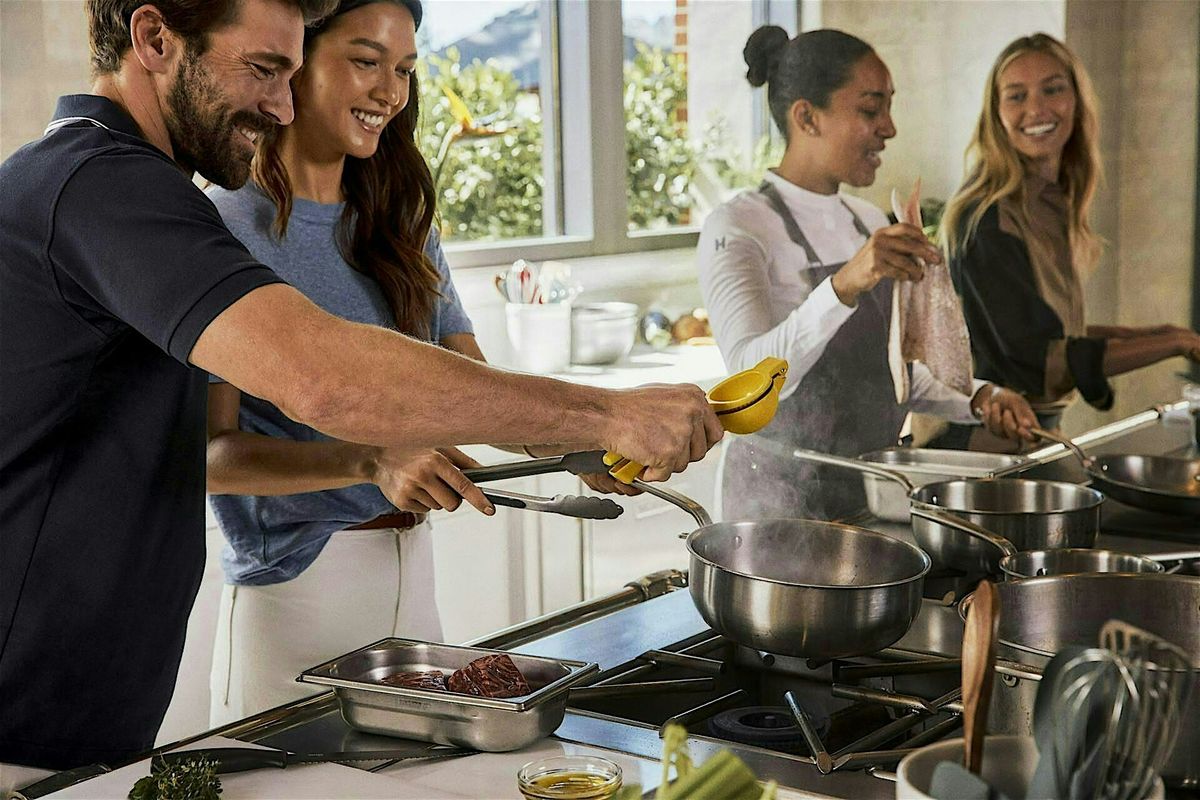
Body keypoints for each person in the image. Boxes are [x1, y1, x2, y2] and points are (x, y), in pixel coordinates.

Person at [0, 0, 721, 771]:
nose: (279, 104)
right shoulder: (104, 186)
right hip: (30, 718)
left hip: (77, 717)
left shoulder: (128, 188)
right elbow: (321, 376)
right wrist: (605, 411)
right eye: (266, 69)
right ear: (152, 39)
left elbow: (449, 384)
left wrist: (579, 438)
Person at [203, 0, 631, 725]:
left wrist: (583, 444)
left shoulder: (397, 217)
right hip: (294, 595)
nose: (390, 93)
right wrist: (371, 460)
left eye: (403, 70)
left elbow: (479, 392)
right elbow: (209, 455)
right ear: (293, 60)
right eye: (366, 62)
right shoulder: (224, 225)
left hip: (412, 577)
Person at [698, 27, 1036, 522]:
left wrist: (979, 397)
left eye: (888, 108)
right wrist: (843, 287)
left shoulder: (870, 221)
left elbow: (886, 378)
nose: (889, 128)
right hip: (775, 508)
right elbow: (748, 379)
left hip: (875, 499)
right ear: (807, 117)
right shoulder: (739, 227)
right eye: (870, 109)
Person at [941, 33, 1200, 431]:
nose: (1036, 108)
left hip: (1034, 435)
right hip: (984, 447)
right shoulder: (987, 217)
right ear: (995, 114)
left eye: (1053, 89)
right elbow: (1038, 359)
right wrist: (1176, 343)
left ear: (1077, 101)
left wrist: (1164, 334)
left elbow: (1053, 333)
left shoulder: (1047, 204)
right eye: (1016, 95)